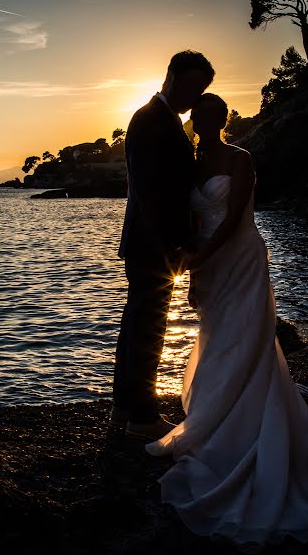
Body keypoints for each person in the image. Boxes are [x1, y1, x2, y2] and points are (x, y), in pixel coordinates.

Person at [144, 93, 308, 550]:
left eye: (212, 114)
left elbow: (234, 217)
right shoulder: (192, 166)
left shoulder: (240, 158)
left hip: (240, 261)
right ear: (192, 119)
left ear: (223, 118)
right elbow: (196, 224)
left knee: (247, 341)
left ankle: (251, 435)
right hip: (210, 267)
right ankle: (216, 426)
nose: (203, 121)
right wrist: (196, 278)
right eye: (197, 114)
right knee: (217, 342)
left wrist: (196, 261)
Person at [111, 50, 214, 441]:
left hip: (148, 242)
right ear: (171, 76)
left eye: (201, 89)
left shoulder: (163, 119)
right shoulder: (150, 119)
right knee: (148, 330)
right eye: (191, 86)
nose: (195, 95)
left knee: (137, 326)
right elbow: (153, 193)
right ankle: (142, 417)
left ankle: (123, 410)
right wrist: (176, 244)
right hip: (152, 244)